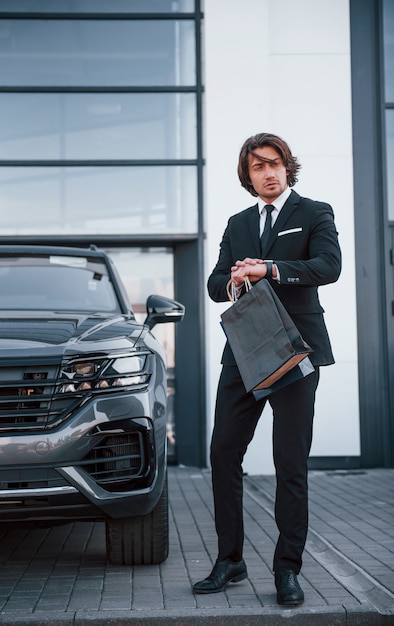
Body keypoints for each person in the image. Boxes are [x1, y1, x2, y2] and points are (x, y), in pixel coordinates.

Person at [193, 132, 341, 605]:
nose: (268, 173)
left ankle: (287, 569)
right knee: (222, 453)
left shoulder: (314, 212)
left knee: (289, 463)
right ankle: (230, 560)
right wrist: (234, 276)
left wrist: (270, 269)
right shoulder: (237, 222)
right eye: (258, 167)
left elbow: (328, 267)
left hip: (297, 352)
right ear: (248, 175)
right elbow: (216, 283)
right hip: (244, 352)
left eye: (274, 163)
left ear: (287, 166)